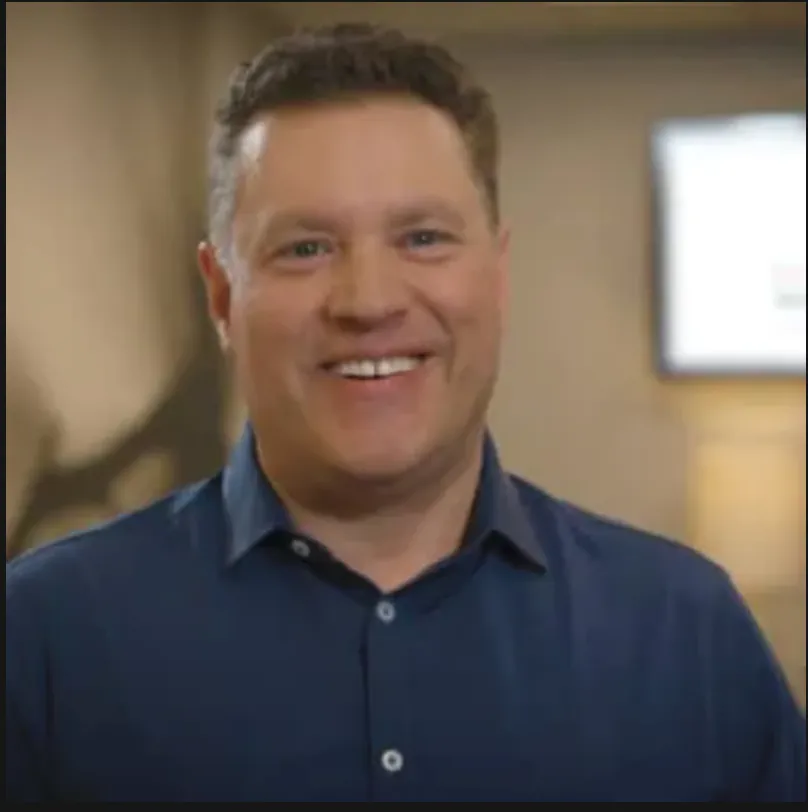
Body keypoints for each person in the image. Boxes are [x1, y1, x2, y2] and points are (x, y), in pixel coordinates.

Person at [5, 23, 805, 803]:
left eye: (422, 237)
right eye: (306, 248)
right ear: (221, 296)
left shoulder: (687, 633)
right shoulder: (42, 639)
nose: (370, 301)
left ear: (497, 274)